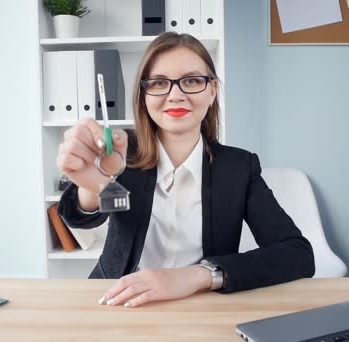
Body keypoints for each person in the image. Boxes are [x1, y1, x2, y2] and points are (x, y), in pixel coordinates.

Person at [56, 32, 314, 308]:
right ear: (144, 94)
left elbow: (298, 254)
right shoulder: (120, 152)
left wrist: (198, 276)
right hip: (117, 300)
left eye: (191, 81)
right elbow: (77, 218)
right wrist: (92, 187)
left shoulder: (239, 167)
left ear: (212, 90)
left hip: (201, 305)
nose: (175, 95)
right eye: (159, 83)